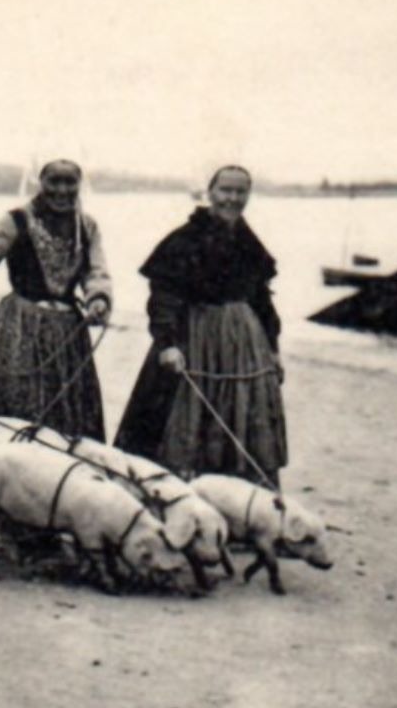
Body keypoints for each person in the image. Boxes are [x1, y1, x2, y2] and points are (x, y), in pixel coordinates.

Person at [113, 165, 287, 483]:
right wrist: (166, 344)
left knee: (242, 417)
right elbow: (162, 296)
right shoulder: (184, 240)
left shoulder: (249, 243)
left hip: (244, 346)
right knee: (181, 417)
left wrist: (273, 349)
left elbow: (262, 300)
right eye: (225, 190)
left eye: (240, 191)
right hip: (195, 340)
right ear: (211, 193)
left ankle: (235, 492)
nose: (232, 199)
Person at [0, 160, 111, 439]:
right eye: (54, 181)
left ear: (79, 185)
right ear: (40, 182)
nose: (62, 190)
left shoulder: (87, 226)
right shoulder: (15, 220)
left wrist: (99, 299)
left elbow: (96, 271)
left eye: (69, 182)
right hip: (18, 330)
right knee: (18, 414)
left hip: (68, 335)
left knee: (71, 418)